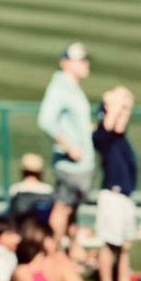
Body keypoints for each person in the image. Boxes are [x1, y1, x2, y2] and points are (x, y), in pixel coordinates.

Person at [36, 43, 95, 247]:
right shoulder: (60, 88)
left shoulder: (71, 88)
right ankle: (52, 252)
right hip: (71, 164)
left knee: (70, 209)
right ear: (65, 63)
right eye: (80, 60)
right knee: (63, 208)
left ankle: (71, 252)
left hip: (80, 162)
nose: (85, 64)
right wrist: (69, 147)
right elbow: (45, 120)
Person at [93, 86, 140, 281]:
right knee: (109, 243)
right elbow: (107, 125)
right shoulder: (105, 136)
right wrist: (114, 103)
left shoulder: (121, 139)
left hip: (124, 197)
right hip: (113, 195)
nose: (124, 115)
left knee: (123, 245)